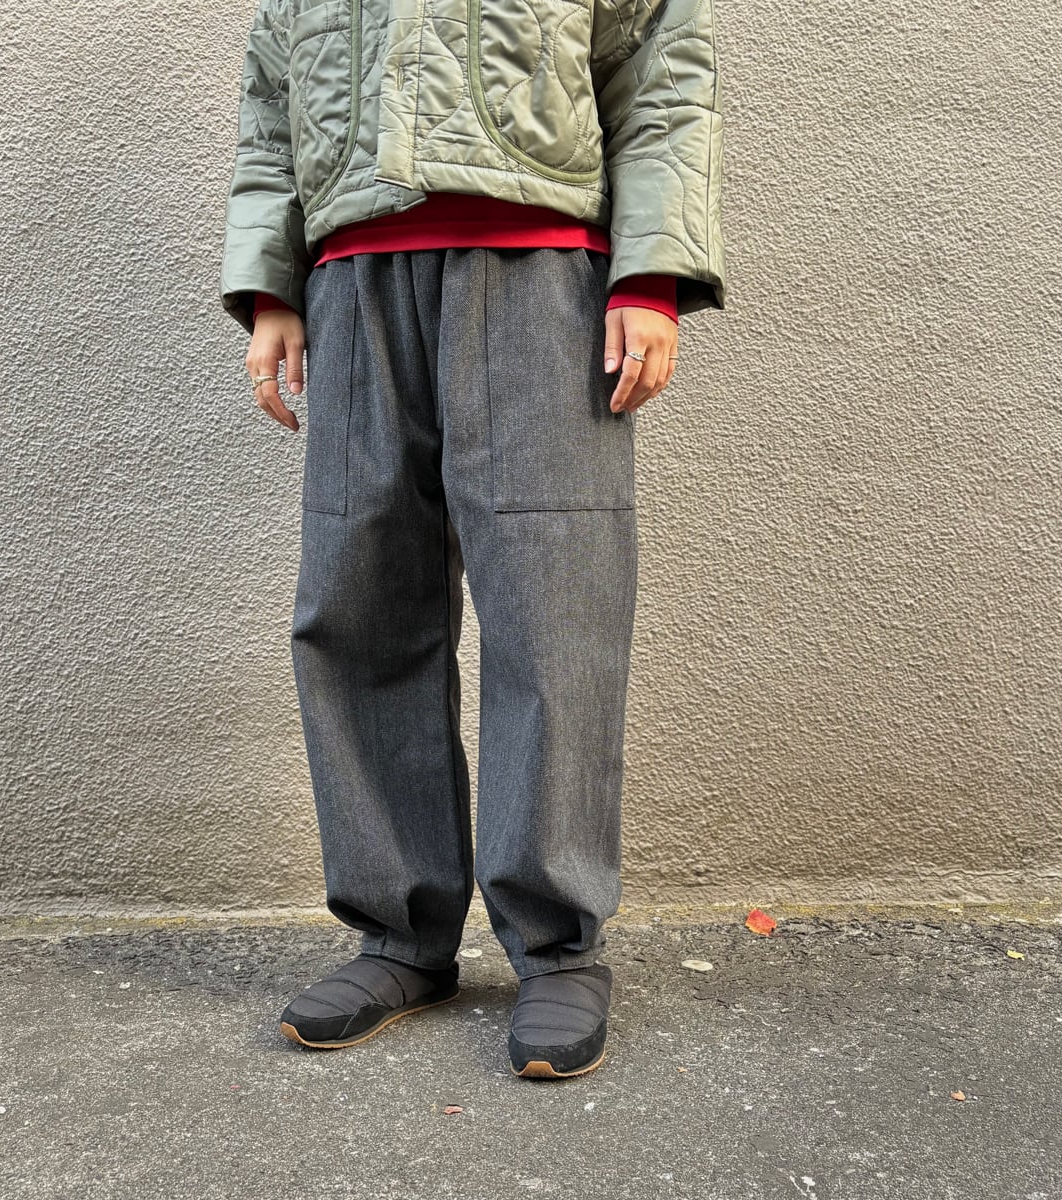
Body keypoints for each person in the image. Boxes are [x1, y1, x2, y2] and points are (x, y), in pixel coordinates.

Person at [219, 0, 726, 1079]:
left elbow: (660, 74)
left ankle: (557, 945)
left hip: (541, 269)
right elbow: (273, 101)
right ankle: (399, 932)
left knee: (554, 610)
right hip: (352, 280)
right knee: (357, 605)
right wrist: (272, 280)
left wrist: (649, 274)